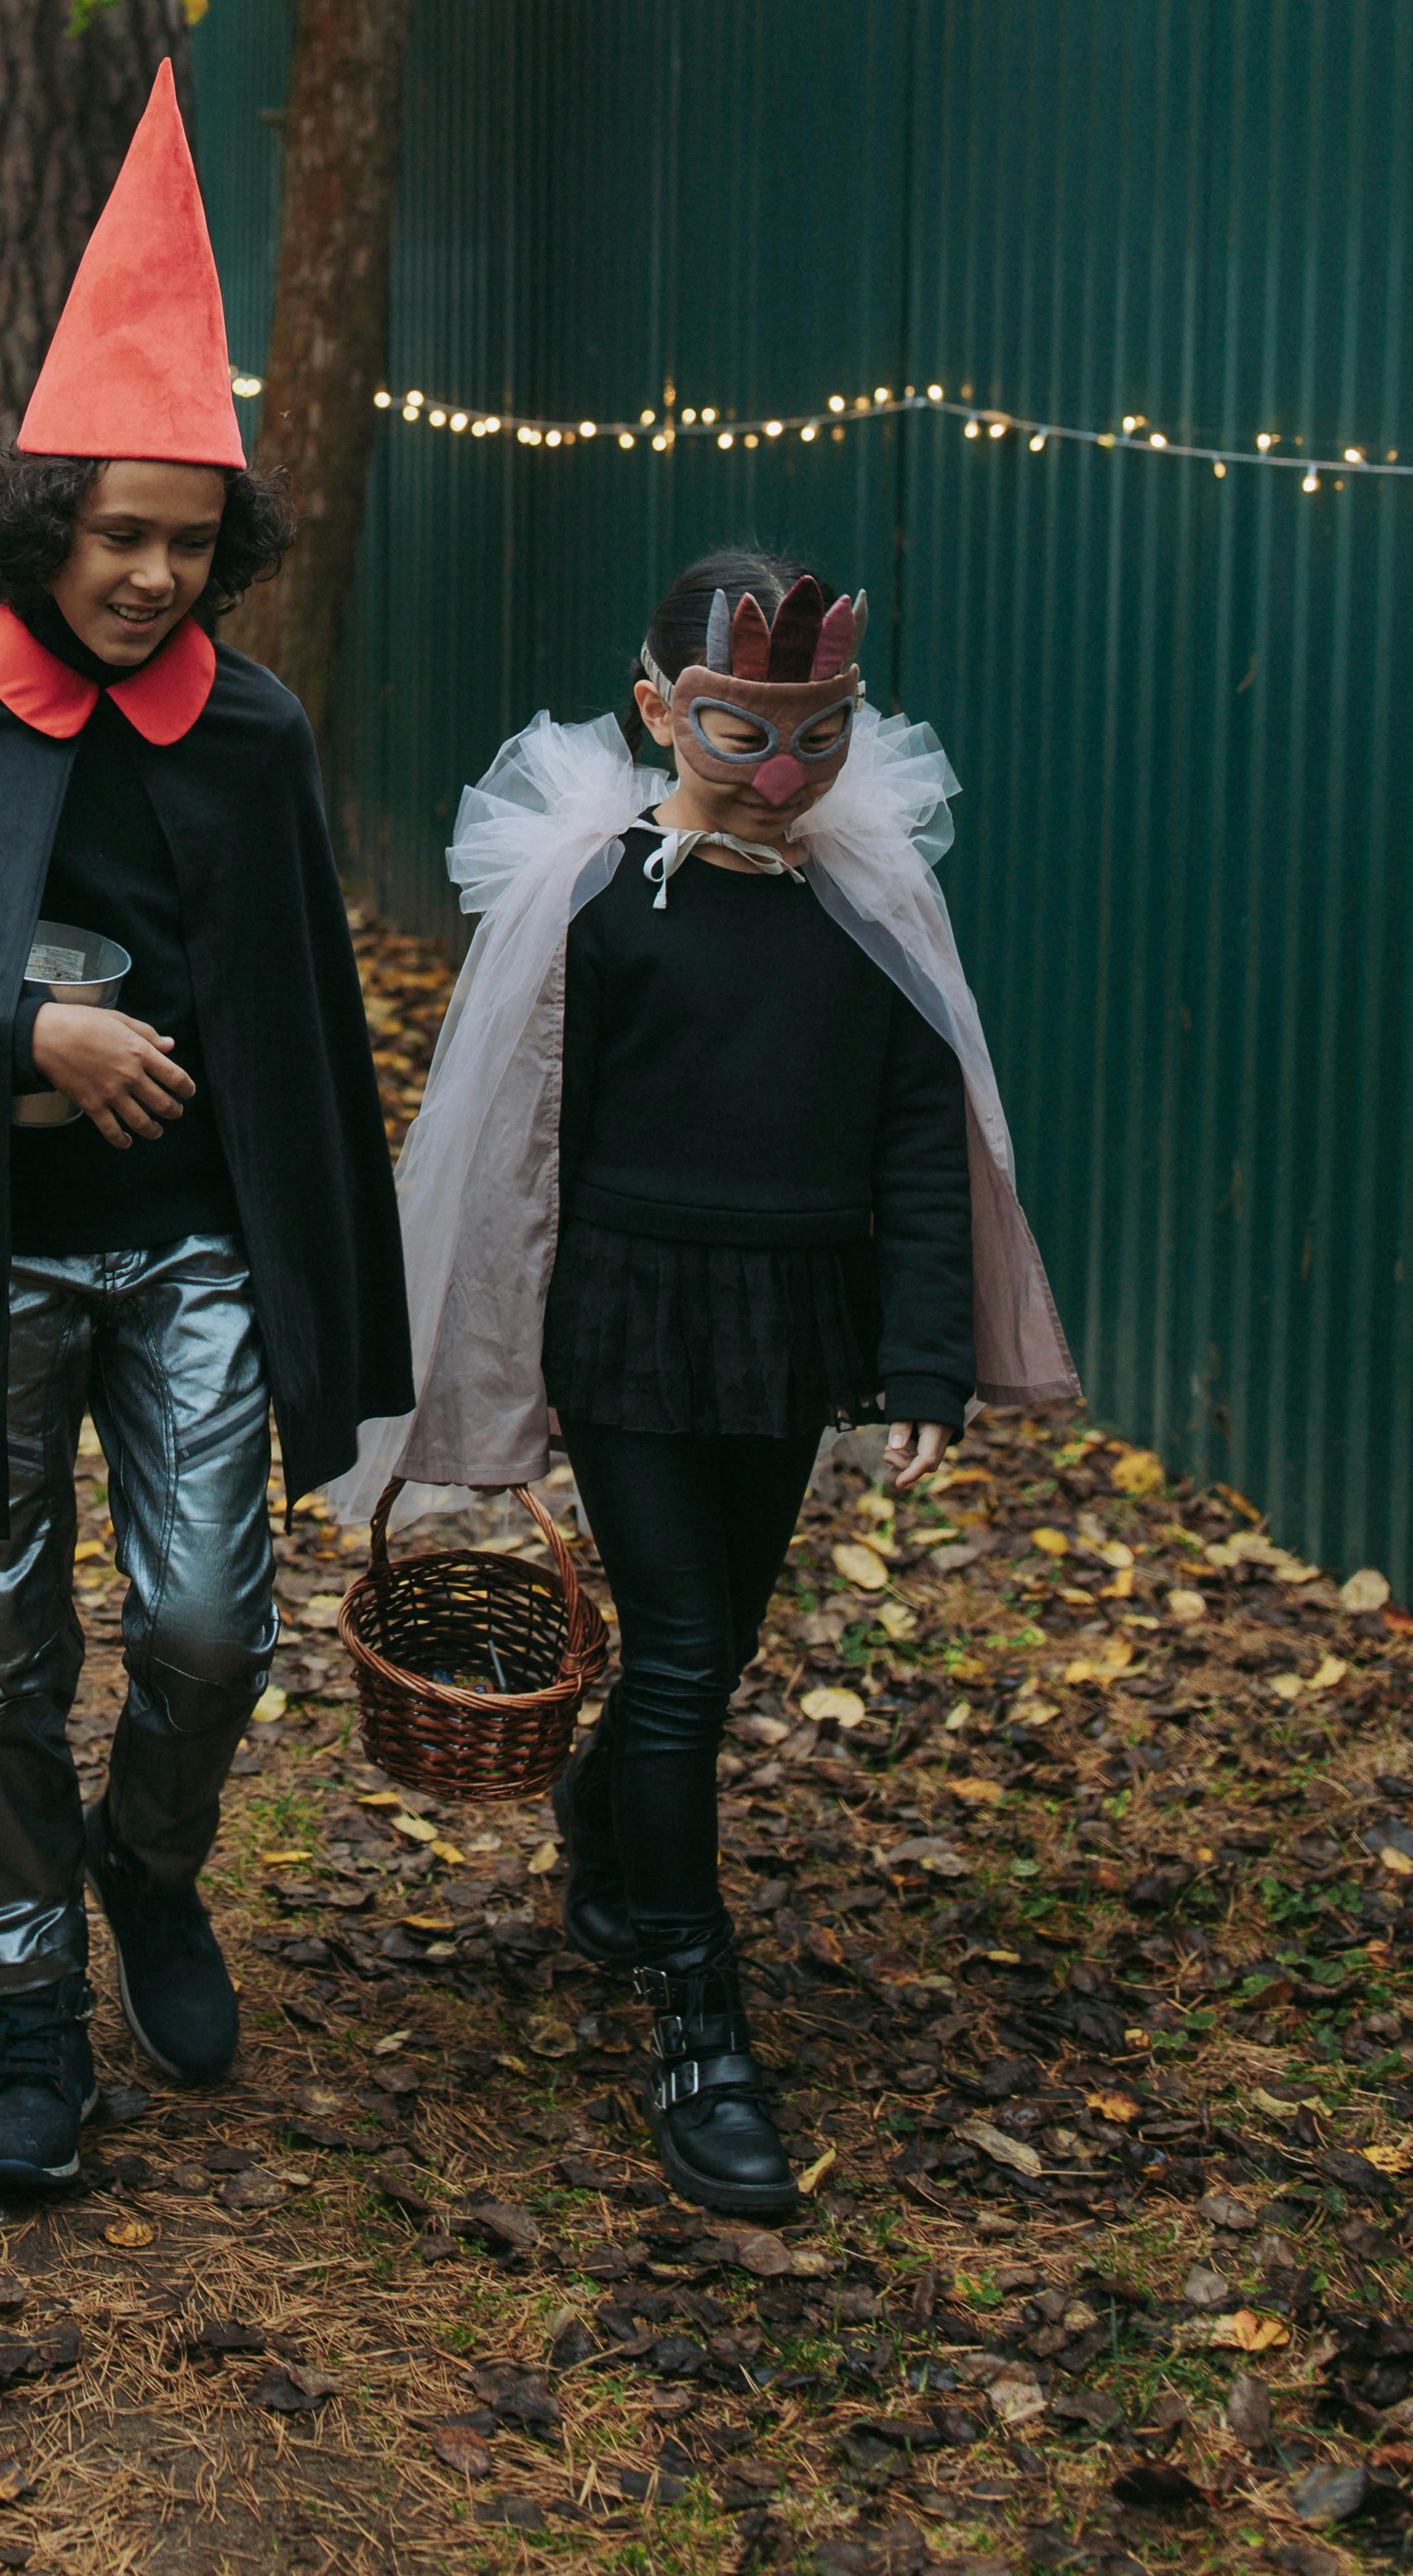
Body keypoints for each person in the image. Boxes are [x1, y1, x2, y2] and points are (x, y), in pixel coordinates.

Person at [0, 66, 412, 2195]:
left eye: (190, 543)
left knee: (210, 1622)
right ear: (43, 523)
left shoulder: (253, 731)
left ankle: (147, 1856)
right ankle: (27, 2013)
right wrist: (32, 1027)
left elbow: (295, 1025)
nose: (148, 577)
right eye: (117, 534)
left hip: (194, 1239)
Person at [326, 548, 1077, 2223]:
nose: (781, 769)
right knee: (673, 1649)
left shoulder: (868, 898)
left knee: (714, 1643)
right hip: (632, 1319)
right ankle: (695, 2008)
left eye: (819, 731)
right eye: (742, 726)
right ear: (659, 704)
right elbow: (519, 1137)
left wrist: (919, 1357)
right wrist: (510, 1354)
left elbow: (915, 1129)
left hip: (793, 1320)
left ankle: (605, 1822)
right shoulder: (594, 891)